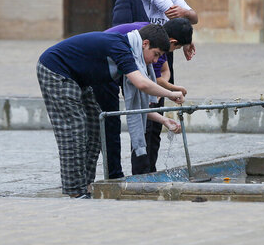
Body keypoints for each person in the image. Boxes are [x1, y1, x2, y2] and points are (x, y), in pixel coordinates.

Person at [37, 24, 184, 198]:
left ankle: (86, 185)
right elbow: (142, 84)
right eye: (156, 54)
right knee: (74, 131)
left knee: (95, 129)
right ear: (145, 44)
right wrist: (171, 94)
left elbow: (134, 107)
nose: (155, 61)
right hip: (56, 70)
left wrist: (163, 120)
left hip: (78, 79)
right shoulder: (121, 48)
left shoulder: (132, 54)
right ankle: (75, 192)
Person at [112, 0, 198, 170]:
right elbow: (172, 11)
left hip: (157, 53)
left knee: (156, 115)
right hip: (140, 54)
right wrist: (184, 24)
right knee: (142, 116)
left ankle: (150, 169)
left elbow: (192, 16)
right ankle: (140, 171)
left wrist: (185, 34)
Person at [92, 18, 193, 178]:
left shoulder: (157, 38)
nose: (158, 58)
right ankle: (124, 175)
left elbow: (162, 74)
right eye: (176, 48)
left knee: (148, 122)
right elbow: (144, 84)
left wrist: (165, 91)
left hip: (118, 68)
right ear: (172, 41)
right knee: (112, 124)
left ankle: (146, 172)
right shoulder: (152, 42)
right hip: (103, 67)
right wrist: (170, 92)